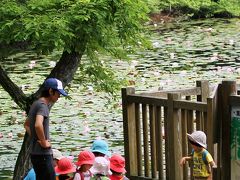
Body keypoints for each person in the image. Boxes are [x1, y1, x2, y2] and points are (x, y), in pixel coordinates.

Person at [24, 78, 68, 180]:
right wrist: (43, 142)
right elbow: (38, 125)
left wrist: (36, 138)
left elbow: (26, 125)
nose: (59, 96)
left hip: (35, 154)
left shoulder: (36, 104)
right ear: (50, 91)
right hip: (43, 154)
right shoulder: (43, 106)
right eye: (58, 93)